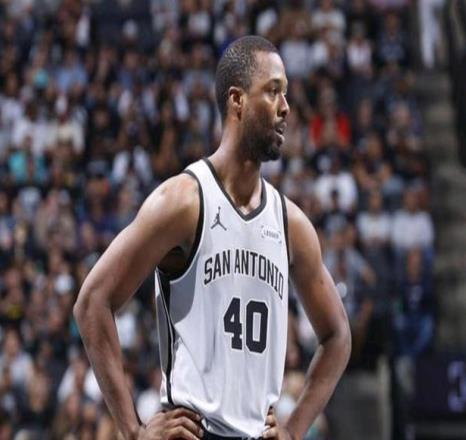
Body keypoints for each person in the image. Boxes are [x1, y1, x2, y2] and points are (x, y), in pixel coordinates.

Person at [74, 36, 351, 440]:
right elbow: (92, 302)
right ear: (237, 100)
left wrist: (294, 429)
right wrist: (133, 431)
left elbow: (338, 335)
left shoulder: (291, 224)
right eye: (273, 91)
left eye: (286, 93)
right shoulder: (183, 202)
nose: (286, 107)